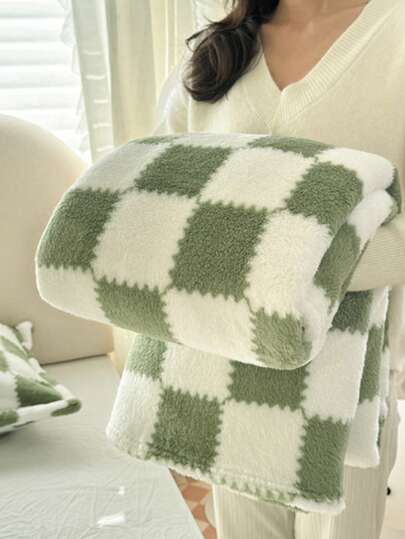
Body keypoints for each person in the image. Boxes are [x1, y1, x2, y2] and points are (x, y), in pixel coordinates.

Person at [151, 0, 405, 537]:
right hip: (225, 369)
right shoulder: (216, 50)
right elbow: (162, 197)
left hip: (349, 382)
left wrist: (272, 261)